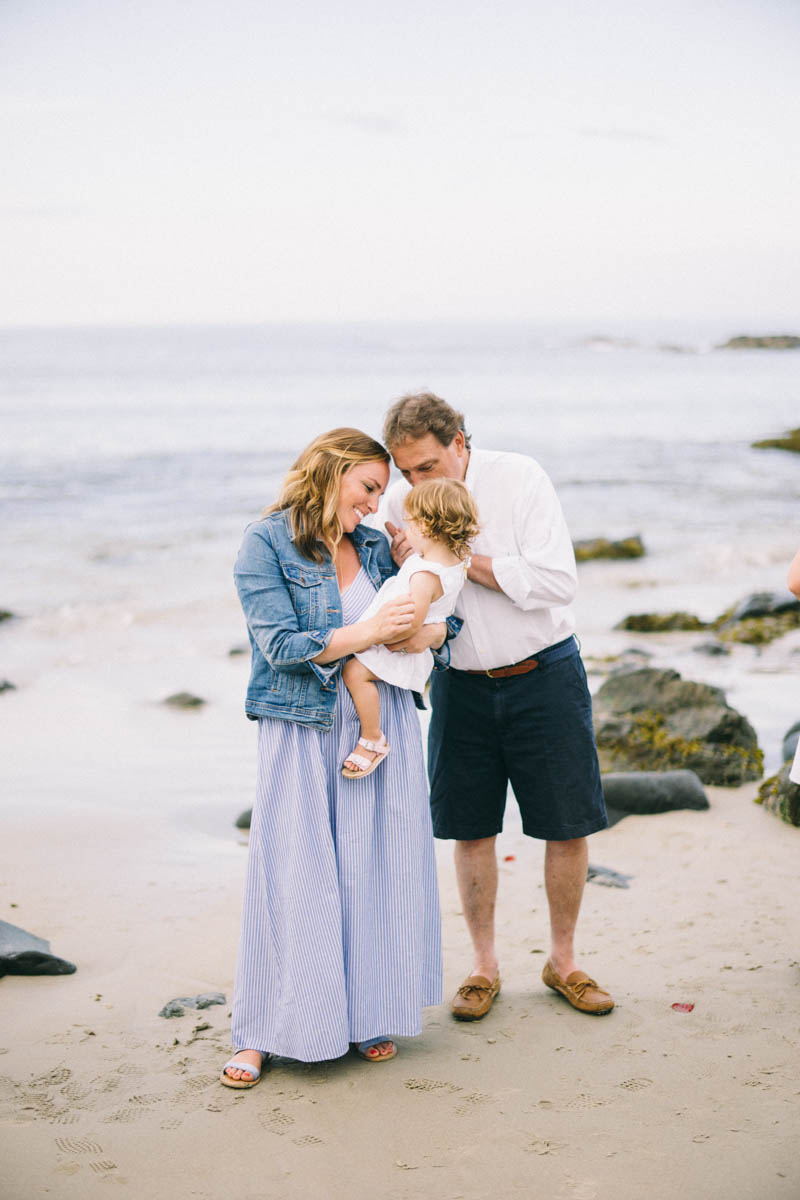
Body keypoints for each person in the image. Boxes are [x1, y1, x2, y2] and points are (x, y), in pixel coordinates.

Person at [377, 392, 614, 1021]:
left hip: (545, 676)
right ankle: (483, 968)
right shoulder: (402, 505)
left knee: (567, 826)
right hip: (459, 683)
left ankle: (563, 961)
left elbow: (556, 580)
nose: (412, 484)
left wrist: (458, 559)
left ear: (459, 440)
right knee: (469, 827)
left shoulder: (520, 477)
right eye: (404, 471)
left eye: (426, 466)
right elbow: (413, 603)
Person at [221, 427, 443, 1088]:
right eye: (369, 487)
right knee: (293, 874)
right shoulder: (264, 542)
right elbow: (280, 645)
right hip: (302, 724)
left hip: (384, 722)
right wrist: (371, 631)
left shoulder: (377, 546)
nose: (377, 504)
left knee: (373, 872)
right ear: (330, 471)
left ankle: (365, 1014)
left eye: (383, 490)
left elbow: (437, 619)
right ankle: (261, 1032)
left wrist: (422, 594)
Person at [341, 477, 479, 779]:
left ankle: (372, 737)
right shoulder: (454, 562)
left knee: (354, 673)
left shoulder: (426, 575)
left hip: (395, 648)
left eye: (411, 525)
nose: (407, 531)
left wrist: (376, 637)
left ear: (428, 527)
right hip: (403, 645)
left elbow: (412, 621)